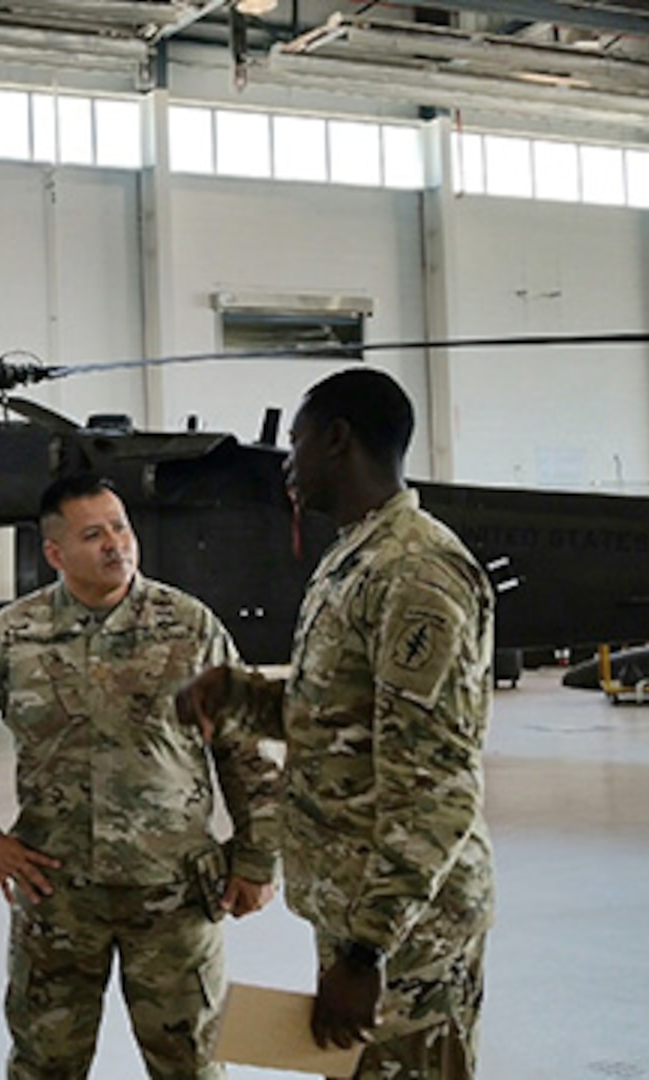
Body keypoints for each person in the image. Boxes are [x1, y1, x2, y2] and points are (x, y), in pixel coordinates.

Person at [0, 473, 283, 1080]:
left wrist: (257, 859)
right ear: (56, 553)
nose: (116, 544)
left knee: (192, 1063)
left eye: (121, 527)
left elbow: (246, 749)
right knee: (45, 1066)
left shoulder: (189, 627)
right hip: (58, 899)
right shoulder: (11, 637)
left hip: (174, 897)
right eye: (94, 534)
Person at [183, 367, 495, 1080]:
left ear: (336, 440)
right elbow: (337, 720)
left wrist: (367, 954)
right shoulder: (352, 561)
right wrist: (237, 696)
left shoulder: (414, 573)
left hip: (412, 926)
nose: (286, 464)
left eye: (294, 443)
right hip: (362, 906)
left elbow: (435, 783)